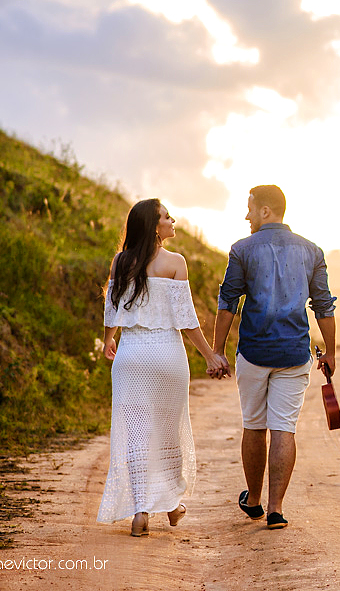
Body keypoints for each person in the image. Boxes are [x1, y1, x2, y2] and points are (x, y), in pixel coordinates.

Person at [98, 199, 229, 537]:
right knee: (168, 434)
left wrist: (107, 340)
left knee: (137, 436)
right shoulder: (175, 263)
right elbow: (186, 320)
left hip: (131, 357)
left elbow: (112, 311)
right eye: (167, 216)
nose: (173, 220)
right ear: (154, 226)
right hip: (167, 356)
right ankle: (171, 505)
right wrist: (209, 355)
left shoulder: (120, 262)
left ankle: (142, 511)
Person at [210, 184, 337, 530]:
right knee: (284, 427)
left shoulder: (242, 249)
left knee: (254, 424)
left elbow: (228, 303)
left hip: (253, 351)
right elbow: (323, 305)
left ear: (265, 211)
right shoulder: (312, 251)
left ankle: (253, 501)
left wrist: (218, 351)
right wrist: (331, 351)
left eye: (249, 208)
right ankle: (276, 508)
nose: (246, 215)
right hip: (295, 353)